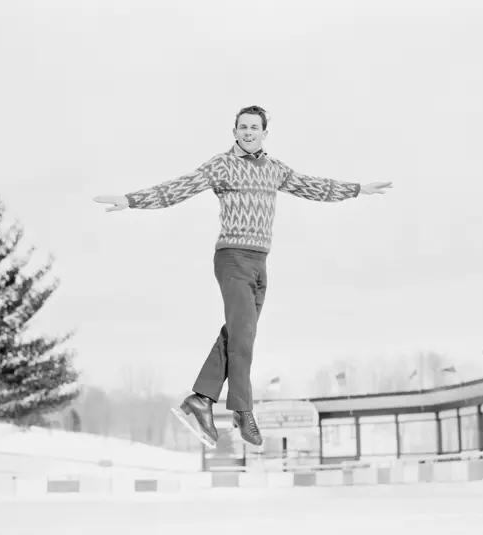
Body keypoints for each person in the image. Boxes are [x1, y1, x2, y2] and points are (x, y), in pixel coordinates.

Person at [94, 105, 392, 449]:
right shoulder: (222, 165)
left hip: (260, 262)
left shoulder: (274, 170)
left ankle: (201, 399)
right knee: (244, 337)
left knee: (237, 334)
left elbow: (313, 186)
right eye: (242, 127)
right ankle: (241, 411)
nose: (248, 132)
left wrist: (356, 189)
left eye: (255, 127)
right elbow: (179, 188)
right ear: (234, 132)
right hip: (232, 259)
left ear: (265, 133)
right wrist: (130, 200)